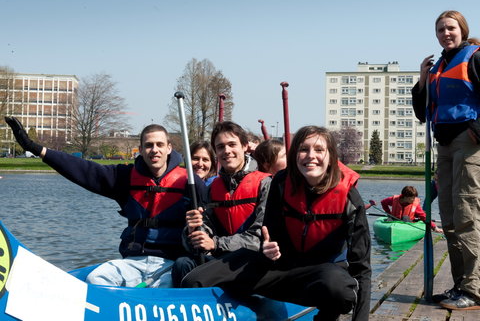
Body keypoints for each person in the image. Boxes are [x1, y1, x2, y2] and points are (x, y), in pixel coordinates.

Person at [181, 126, 371, 321]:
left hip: (319, 274)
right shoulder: (280, 183)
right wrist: (269, 249)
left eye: (319, 150)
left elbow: (362, 269)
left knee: (340, 290)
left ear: (330, 156)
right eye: (303, 149)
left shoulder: (350, 200)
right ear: (295, 155)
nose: (310, 156)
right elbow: (270, 236)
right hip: (278, 269)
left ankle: (325, 316)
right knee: (194, 279)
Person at [4, 116, 206, 288]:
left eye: (160, 145)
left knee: (167, 285)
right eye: (149, 145)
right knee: (96, 278)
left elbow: (210, 225)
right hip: (133, 262)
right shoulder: (125, 177)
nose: (155, 150)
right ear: (141, 149)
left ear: (169, 148)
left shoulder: (190, 182)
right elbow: (82, 169)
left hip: (170, 263)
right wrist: (36, 148)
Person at [412, 10, 480, 309]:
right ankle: (459, 285)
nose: (445, 33)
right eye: (440, 29)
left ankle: (475, 289)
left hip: (469, 141)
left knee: (467, 214)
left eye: (450, 28)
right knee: (450, 218)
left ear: (462, 30)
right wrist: (423, 79)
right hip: (445, 144)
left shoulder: (474, 57)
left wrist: (477, 130)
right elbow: (421, 112)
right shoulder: (439, 65)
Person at [171, 121, 271, 287]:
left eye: (232, 145)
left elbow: (259, 237)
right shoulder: (212, 189)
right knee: (183, 264)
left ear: (245, 146)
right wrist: (193, 231)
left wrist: (216, 244)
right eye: (220, 147)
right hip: (222, 257)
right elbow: (205, 234)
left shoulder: (265, 183)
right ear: (216, 152)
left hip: (253, 258)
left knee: (193, 278)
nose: (227, 151)